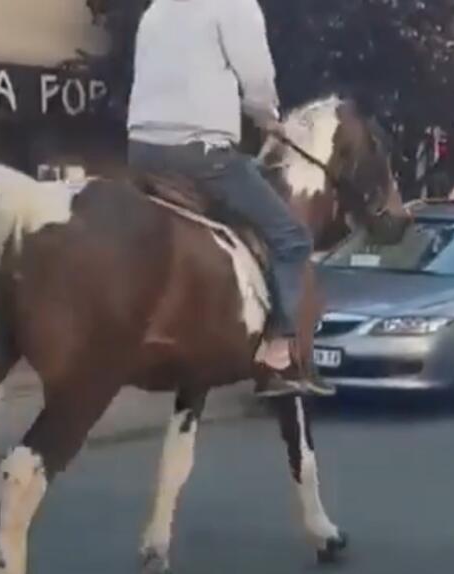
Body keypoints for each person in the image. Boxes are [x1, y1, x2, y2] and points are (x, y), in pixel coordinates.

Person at [126, 0, 333, 398]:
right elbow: (256, 79)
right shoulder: (236, 5)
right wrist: (267, 116)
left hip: (142, 152)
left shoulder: (156, 10)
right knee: (290, 238)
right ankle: (278, 354)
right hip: (201, 153)